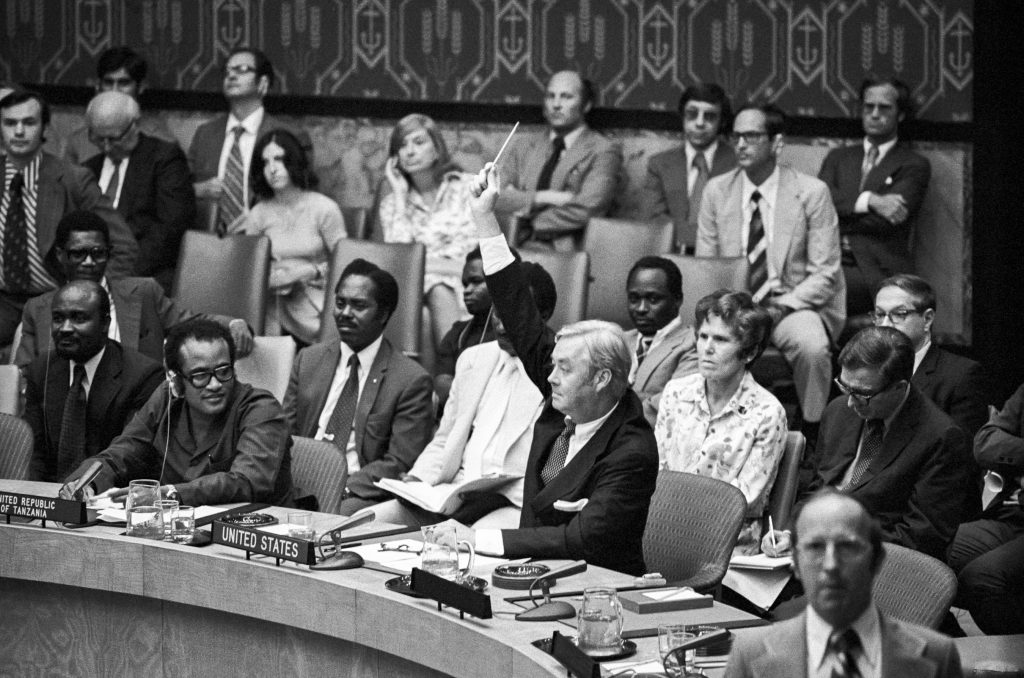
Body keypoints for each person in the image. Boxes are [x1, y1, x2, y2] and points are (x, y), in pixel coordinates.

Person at [451, 163, 658, 576]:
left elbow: (580, 541)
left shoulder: (631, 450)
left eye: (563, 369)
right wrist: (485, 218)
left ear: (601, 378)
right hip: (528, 574)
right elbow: (517, 308)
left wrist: (480, 540)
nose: (549, 376)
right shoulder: (571, 394)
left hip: (595, 588)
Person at [697, 102, 844, 445]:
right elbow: (707, 267)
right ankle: (714, 432)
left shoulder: (811, 192)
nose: (741, 145)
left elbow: (825, 274)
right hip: (735, 304)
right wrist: (732, 308)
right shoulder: (717, 191)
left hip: (792, 302)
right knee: (702, 344)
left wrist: (780, 306)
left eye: (751, 136)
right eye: (736, 137)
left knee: (813, 349)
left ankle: (811, 436)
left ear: (777, 143)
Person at [372, 261, 558, 529]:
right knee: (367, 523)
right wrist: (416, 481)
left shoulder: (558, 369)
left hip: (513, 501)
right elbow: (445, 437)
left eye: (515, 315)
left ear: (544, 314)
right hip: (454, 493)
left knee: (459, 545)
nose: (503, 326)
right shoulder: (473, 359)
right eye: (497, 312)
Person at [763, 327, 972, 561]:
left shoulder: (941, 437)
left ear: (899, 388)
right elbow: (817, 486)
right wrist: (792, 533)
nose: (851, 403)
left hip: (876, 564)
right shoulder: (837, 412)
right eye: (844, 387)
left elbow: (920, 537)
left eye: (862, 394)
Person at [726, 491, 963, 678]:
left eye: (848, 547)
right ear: (795, 563)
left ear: (877, 560)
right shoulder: (750, 654)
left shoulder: (936, 656)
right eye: (815, 547)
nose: (831, 564)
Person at [64, 318, 293, 507]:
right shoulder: (166, 397)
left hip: (253, 535)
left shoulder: (261, 409)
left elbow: (247, 482)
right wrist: (86, 482)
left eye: (223, 371)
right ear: (177, 381)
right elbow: (122, 452)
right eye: (200, 375)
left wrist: (169, 494)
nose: (214, 385)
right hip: (177, 533)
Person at [283, 258, 434, 516]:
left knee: (328, 522)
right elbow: (283, 433)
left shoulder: (410, 380)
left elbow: (399, 461)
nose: (345, 313)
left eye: (359, 305)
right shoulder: (308, 359)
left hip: (355, 491)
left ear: (384, 313)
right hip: (296, 482)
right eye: (340, 303)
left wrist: (337, 486)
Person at [16, 210, 252, 367]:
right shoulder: (38, 309)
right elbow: (23, 377)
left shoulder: (143, 293)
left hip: (136, 416)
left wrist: (233, 323)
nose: (88, 262)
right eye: (78, 254)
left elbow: (190, 321)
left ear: (109, 254)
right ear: (60, 255)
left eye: (97, 253)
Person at [0, 89, 137, 348]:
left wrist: (91, 293)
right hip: (3, 300)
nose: (19, 131)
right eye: (10, 123)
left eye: (28, 123)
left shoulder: (74, 178)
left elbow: (125, 246)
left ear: (44, 129)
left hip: (56, 296)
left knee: (41, 359)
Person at [656, 290, 786, 554]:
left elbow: (746, 498)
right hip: (664, 529)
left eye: (721, 339)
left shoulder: (767, 412)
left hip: (726, 546)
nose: (707, 348)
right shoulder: (676, 392)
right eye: (703, 336)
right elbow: (658, 468)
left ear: (748, 353)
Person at [24, 281, 162, 481]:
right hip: (51, 494)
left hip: (110, 495)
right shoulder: (40, 370)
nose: (65, 328)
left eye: (79, 318)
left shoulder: (143, 375)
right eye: (58, 319)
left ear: (105, 323)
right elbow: (35, 452)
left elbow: (131, 454)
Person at [818, 77, 931, 317]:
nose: (875, 114)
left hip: (874, 267)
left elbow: (886, 221)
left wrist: (841, 213)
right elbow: (819, 203)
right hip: (826, 259)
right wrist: (870, 200)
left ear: (900, 115)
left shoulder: (914, 164)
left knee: (820, 293)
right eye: (869, 107)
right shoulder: (838, 157)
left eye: (884, 107)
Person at [230, 129, 345, 346]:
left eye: (279, 159)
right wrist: (271, 277)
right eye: (265, 162)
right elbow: (249, 271)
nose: (272, 169)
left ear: (294, 161)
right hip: (272, 299)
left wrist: (309, 271)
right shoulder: (258, 214)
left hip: (317, 297)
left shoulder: (324, 208)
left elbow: (346, 264)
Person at [378, 113, 478, 348]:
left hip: (468, 284)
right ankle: (452, 371)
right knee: (433, 295)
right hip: (415, 292)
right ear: (395, 157)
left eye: (419, 142)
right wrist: (400, 196)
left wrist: (424, 266)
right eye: (402, 145)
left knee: (436, 294)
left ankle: (449, 372)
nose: (410, 151)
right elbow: (401, 264)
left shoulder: (466, 188)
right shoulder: (391, 204)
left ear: (437, 148)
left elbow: (472, 256)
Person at [188, 48, 312, 234]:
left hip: (269, 239)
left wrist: (261, 217)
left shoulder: (291, 136)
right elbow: (176, 188)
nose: (231, 75)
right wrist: (196, 190)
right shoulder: (204, 134)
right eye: (227, 71)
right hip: (209, 243)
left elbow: (304, 197)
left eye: (242, 69)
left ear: (263, 83)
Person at [494, 70, 622, 251]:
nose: (556, 104)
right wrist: (542, 198)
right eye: (550, 96)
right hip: (511, 246)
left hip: (566, 251)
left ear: (586, 105)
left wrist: (530, 224)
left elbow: (589, 207)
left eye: (566, 97)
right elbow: (494, 196)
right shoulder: (523, 145)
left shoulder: (603, 150)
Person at [82, 91, 196, 291]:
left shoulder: (164, 159)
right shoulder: (88, 168)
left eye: (113, 139)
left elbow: (170, 228)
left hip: (146, 271)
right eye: (98, 139)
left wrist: (117, 274)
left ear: (135, 126)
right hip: (90, 269)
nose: (106, 147)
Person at [947, 383, 1024, 634]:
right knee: (928, 545)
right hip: (1012, 515)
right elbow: (985, 442)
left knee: (981, 579)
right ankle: (945, 642)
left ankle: (1011, 662)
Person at [873, 273, 987, 437]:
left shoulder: (961, 375)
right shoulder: (866, 369)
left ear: (927, 319)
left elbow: (960, 450)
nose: (885, 324)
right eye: (879, 315)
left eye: (899, 314)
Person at [640, 83, 737, 253]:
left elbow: (735, 220)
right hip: (671, 254)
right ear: (682, 116)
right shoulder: (659, 164)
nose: (699, 123)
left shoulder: (737, 164)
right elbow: (654, 219)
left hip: (721, 257)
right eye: (692, 115)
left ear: (722, 122)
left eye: (710, 117)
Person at [63, 46, 179, 165]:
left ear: (141, 87)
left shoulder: (163, 141)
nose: (115, 90)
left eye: (124, 83)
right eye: (108, 82)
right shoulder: (78, 142)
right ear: (98, 86)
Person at [623, 256, 697, 425]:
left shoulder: (693, 344)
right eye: (634, 299)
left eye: (653, 299)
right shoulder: (618, 340)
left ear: (678, 299)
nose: (641, 308)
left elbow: (671, 409)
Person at [432, 247, 497, 406]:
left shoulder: (519, 335)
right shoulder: (457, 333)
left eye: (476, 282)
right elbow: (441, 387)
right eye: (465, 284)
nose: (466, 291)